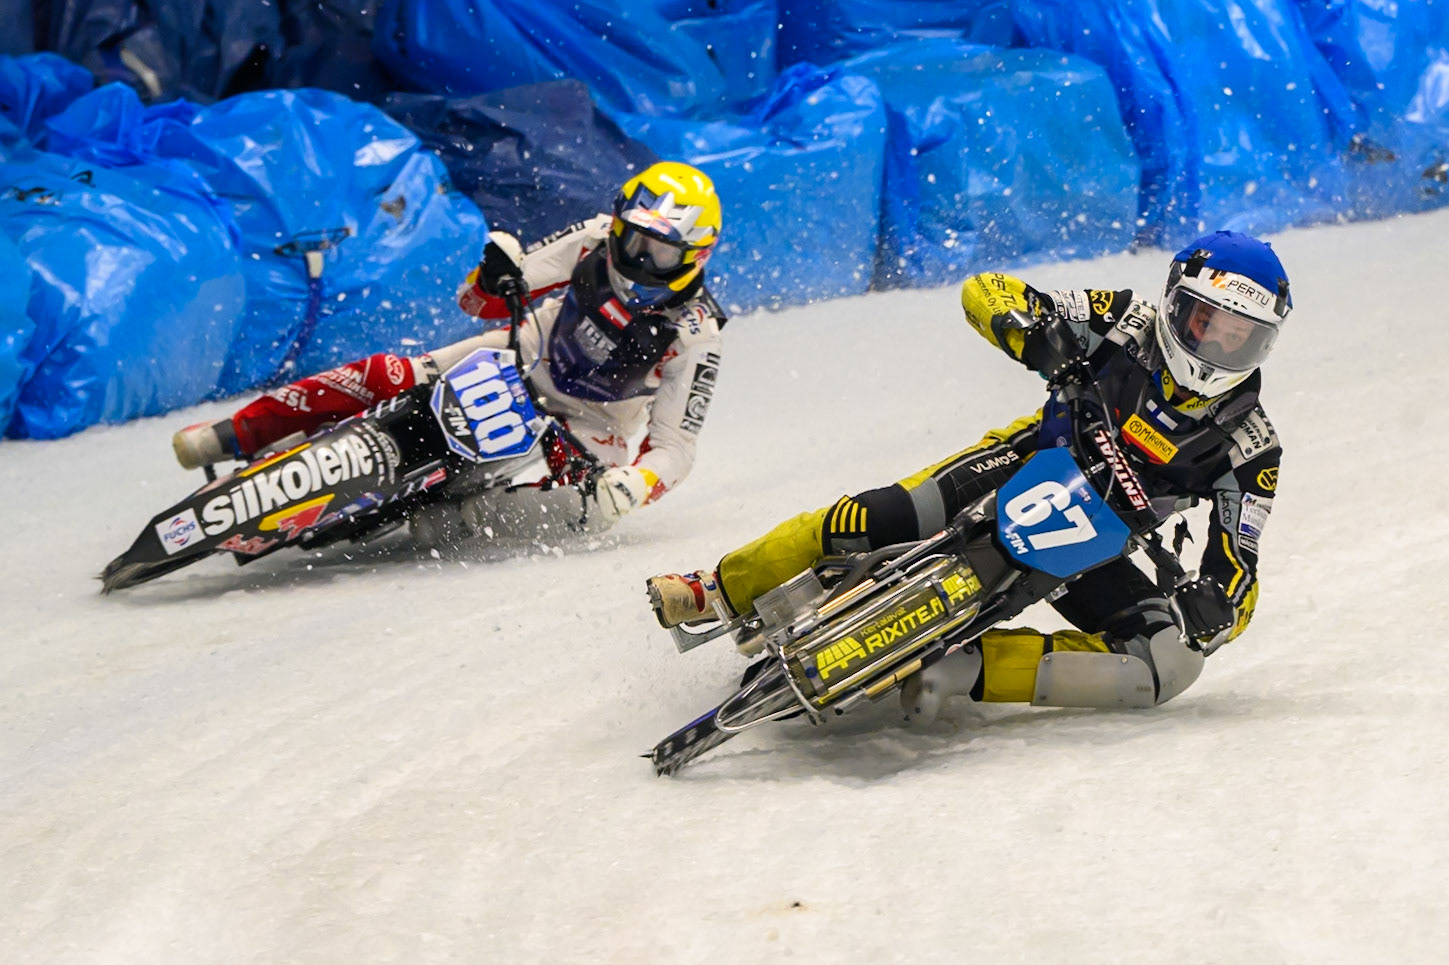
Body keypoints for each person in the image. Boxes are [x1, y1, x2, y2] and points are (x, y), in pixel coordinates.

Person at [647, 230, 1288, 720]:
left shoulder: (1252, 446)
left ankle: (960, 671)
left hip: (1097, 548)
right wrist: (1030, 338)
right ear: (1176, 305)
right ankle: (716, 589)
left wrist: (1219, 611)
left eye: (1241, 338)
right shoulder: (1122, 319)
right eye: (1206, 324)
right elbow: (989, 290)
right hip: (1022, 461)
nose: (1216, 350)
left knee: (1170, 665)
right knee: (873, 519)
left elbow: (1241, 570)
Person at [171, 161, 727, 541]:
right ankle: (236, 432)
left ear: (695, 258)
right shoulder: (593, 238)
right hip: (524, 352)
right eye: (633, 240)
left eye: (658, 252)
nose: (637, 259)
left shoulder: (696, 332)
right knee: (393, 371)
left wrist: (638, 484)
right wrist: (492, 274)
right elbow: (477, 302)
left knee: (590, 511)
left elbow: (676, 446)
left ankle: (461, 521)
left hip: (591, 420)